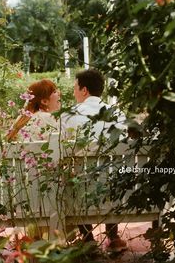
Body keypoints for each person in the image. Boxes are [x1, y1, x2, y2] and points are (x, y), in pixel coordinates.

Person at [61, 69, 127, 253]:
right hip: (116, 186)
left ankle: (88, 239)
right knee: (111, 175)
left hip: (82, 187)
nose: (73, 92)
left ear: (84, 90)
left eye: (75, 87)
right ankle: (113, 237)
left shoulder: (69, 115)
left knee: (76, 179)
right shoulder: (117, 114)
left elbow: (62, 147)